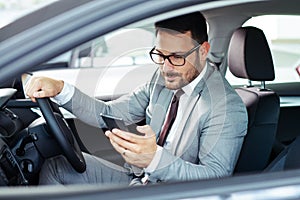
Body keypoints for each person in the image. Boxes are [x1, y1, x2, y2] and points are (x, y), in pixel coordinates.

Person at [25, 12, 248, 186]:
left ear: (203, 51)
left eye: (177, 57)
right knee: (57, 168)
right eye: (160, 55)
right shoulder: (161, 81)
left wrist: (154, 160)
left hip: (173, 192)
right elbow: (109, 113)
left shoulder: (226, 107)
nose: (166, 68)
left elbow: (215, 178)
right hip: (139, 178)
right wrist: (61, 89)